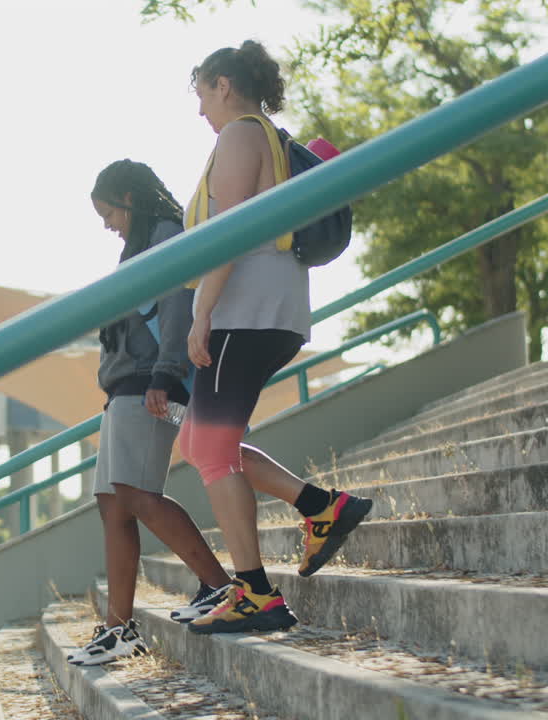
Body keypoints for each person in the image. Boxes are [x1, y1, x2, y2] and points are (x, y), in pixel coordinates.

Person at [177, 40, 373, 635]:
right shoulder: (267, 135)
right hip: (267, 309)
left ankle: (256, 594)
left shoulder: (239, 134)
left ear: (224, 85)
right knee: (201, 444)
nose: (200, 110)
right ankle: (321, 507)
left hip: (246, 312)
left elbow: (230, 235)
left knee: (209, 451)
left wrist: (200, 315)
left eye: (201, 94)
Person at [67, 159, 236, 666]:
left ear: (130, 199)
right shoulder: (138, 243)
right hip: (123, 388)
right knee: (113, 504)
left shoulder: (163, 233)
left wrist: (165, 372)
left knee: (139, 495)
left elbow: (177, 305)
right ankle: (119, 629)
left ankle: (220, 587)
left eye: (109, 212)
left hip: (147, 384)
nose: (106, 224)